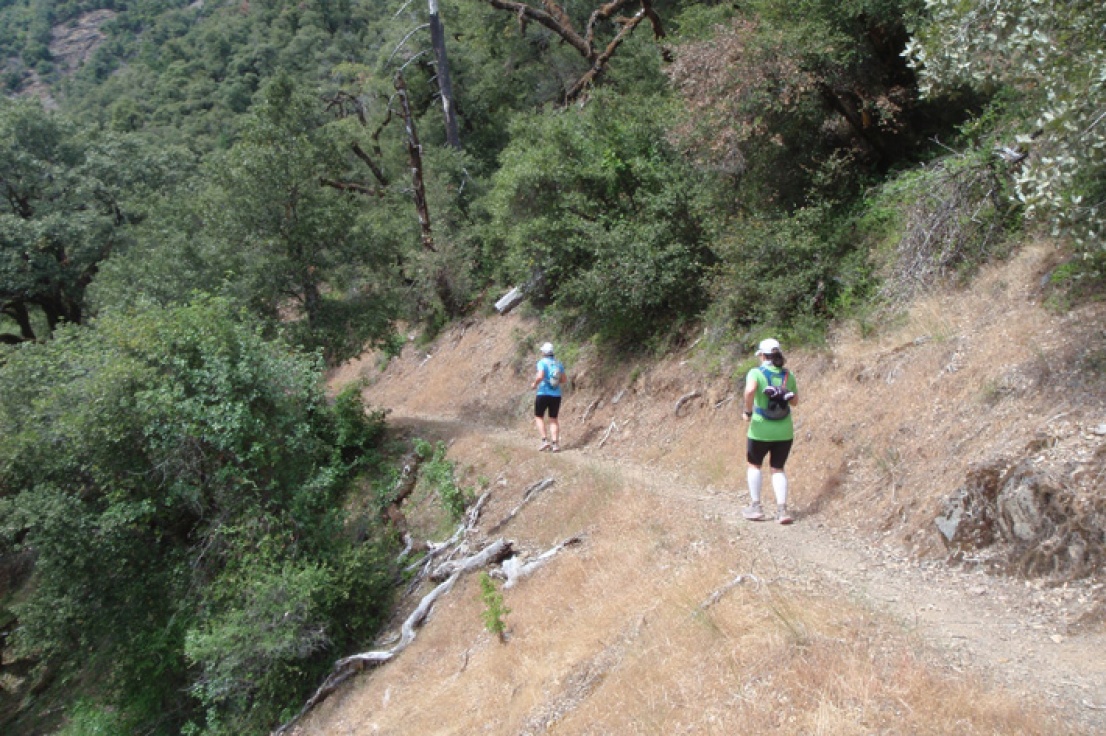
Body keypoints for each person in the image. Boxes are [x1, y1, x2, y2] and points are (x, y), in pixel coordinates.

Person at [741, 338, 798, 524]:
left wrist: (747, 411)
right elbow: (795, 402)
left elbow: (750, 392)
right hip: (784, 430)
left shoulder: (756, 373)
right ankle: (782, 510)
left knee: (754, 465)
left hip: (760, 428)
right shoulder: (788, 375)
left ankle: (756, 506)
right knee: (778, 469)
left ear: (762, 355)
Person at [530, 342, 567, 452]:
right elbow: (564, 380)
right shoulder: (558, 363)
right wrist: (555, 382)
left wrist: (534, 384)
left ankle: (544, 441)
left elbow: (540, 376)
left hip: (543, 393)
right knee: (553, 419)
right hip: (556, 395)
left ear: (544, 352)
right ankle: (555, 444)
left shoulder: (542, 362)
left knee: (539, 416)